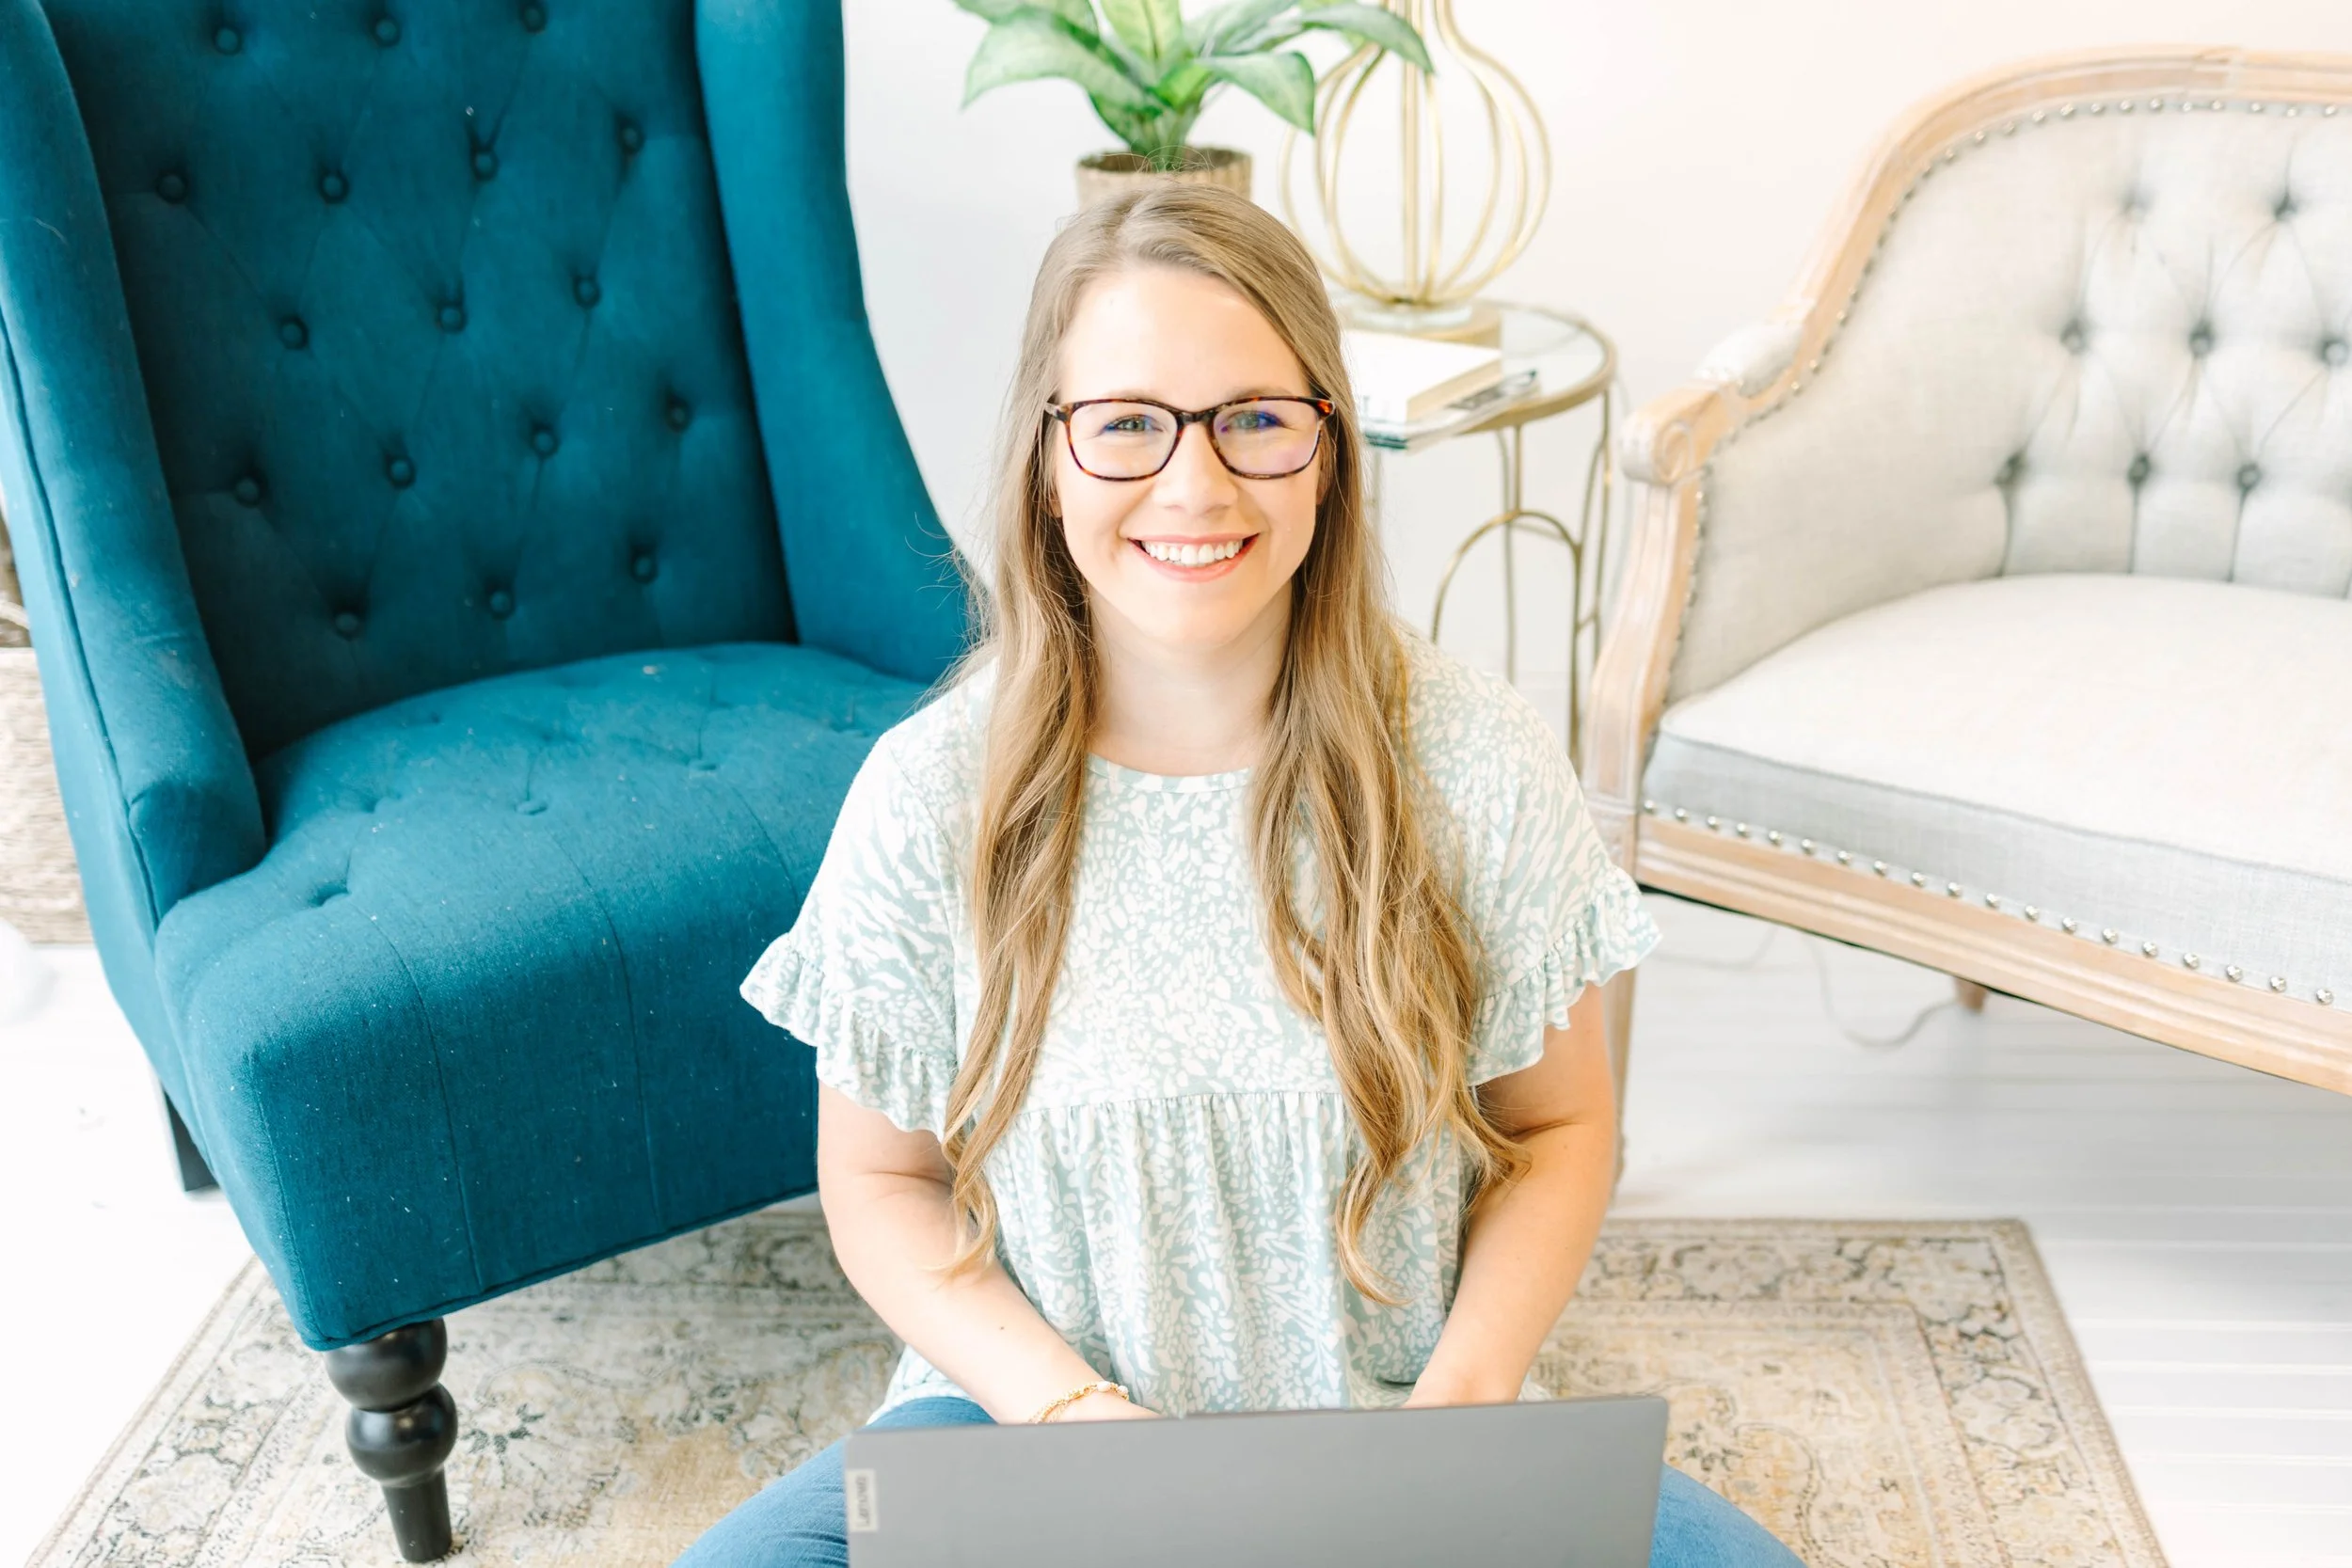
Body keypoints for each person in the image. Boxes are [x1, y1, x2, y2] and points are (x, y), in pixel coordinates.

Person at [674, 183, 1801, 1567]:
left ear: (1330, 452)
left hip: (1395, 1423)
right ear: (1050, 457)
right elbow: (880, 1179)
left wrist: (1458, 1412)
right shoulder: (927, 797)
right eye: (1129, 421)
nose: (1195, 483)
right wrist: (1063, 1407)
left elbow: (1562, 1132)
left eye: (1257, 418)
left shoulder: (1476, 758)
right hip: (1020, 1429)